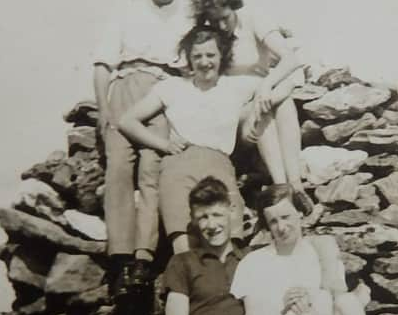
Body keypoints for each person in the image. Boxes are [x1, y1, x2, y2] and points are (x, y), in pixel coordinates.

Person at [118, 26, 297, 255]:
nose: (204, 62)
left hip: (219, 162)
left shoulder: (236, 86)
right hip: (179, 163)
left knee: (230, 238)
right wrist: (163, 145)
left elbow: (289, 81)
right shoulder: (172, 87)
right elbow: (127, 121)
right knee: (182, 239)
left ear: (221, 56)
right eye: (197, 56)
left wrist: (261, 96)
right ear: (189, 59)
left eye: (210, 55)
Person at [91, 0, 190, 315]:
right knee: (118, 166)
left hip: (165, 89)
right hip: (127, 84)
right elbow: (102, 64)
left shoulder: (188, 12)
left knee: (152, 169)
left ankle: (143, 261)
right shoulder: (125, 9)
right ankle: (119, 260)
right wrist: (102, 109)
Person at [190, 0, 313, 215]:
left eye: (225, 17)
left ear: (234, 6)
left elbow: (290, 59)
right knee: (264, 108)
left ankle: (294, 184)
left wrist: (266, 86)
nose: (221, 25)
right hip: (233, 108)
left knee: (281, 102)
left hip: (260, 96)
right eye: (214, 19)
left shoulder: (253, 19)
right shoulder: (208, 34)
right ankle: (281, 185)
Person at [231, 184, 373, 315]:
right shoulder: (253, 261)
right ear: (267, 226)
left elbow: (338, 296)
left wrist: (310, 300)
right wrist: (283, 305)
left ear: (299, 213)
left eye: (285, 217)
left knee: (342, 302)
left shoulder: (321, 250)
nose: (281, 227)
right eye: (273, 221)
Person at [134, 176, 253, 315]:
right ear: (193, 220)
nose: (211, 225)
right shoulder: (183, 262)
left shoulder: (248, 259)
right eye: (203, 217)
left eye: (217, 215)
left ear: (231, 211)